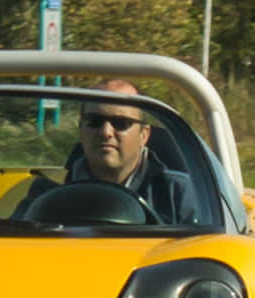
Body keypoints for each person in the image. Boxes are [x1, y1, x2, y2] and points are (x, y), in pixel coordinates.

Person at [22, 79, 201, 223]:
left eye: (121, 123)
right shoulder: (46, 193)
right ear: (81, 130)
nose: (106, 132)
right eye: (94, 121)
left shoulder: (179, 196)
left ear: (143, 135)